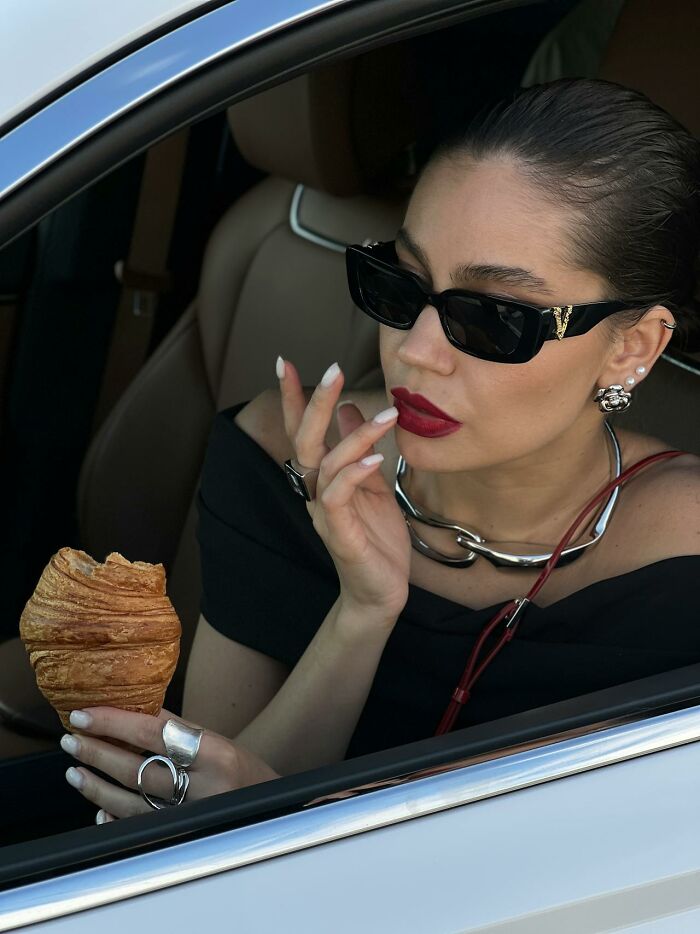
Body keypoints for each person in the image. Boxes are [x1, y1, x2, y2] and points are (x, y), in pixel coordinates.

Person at [62, 78, 700, 822]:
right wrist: (363, 613)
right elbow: (203, 814)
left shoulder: (683, 560)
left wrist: (276, 810)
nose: (414, 352)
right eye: (401, 284)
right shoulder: (282, 456)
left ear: (632, 348)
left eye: (493, 318)